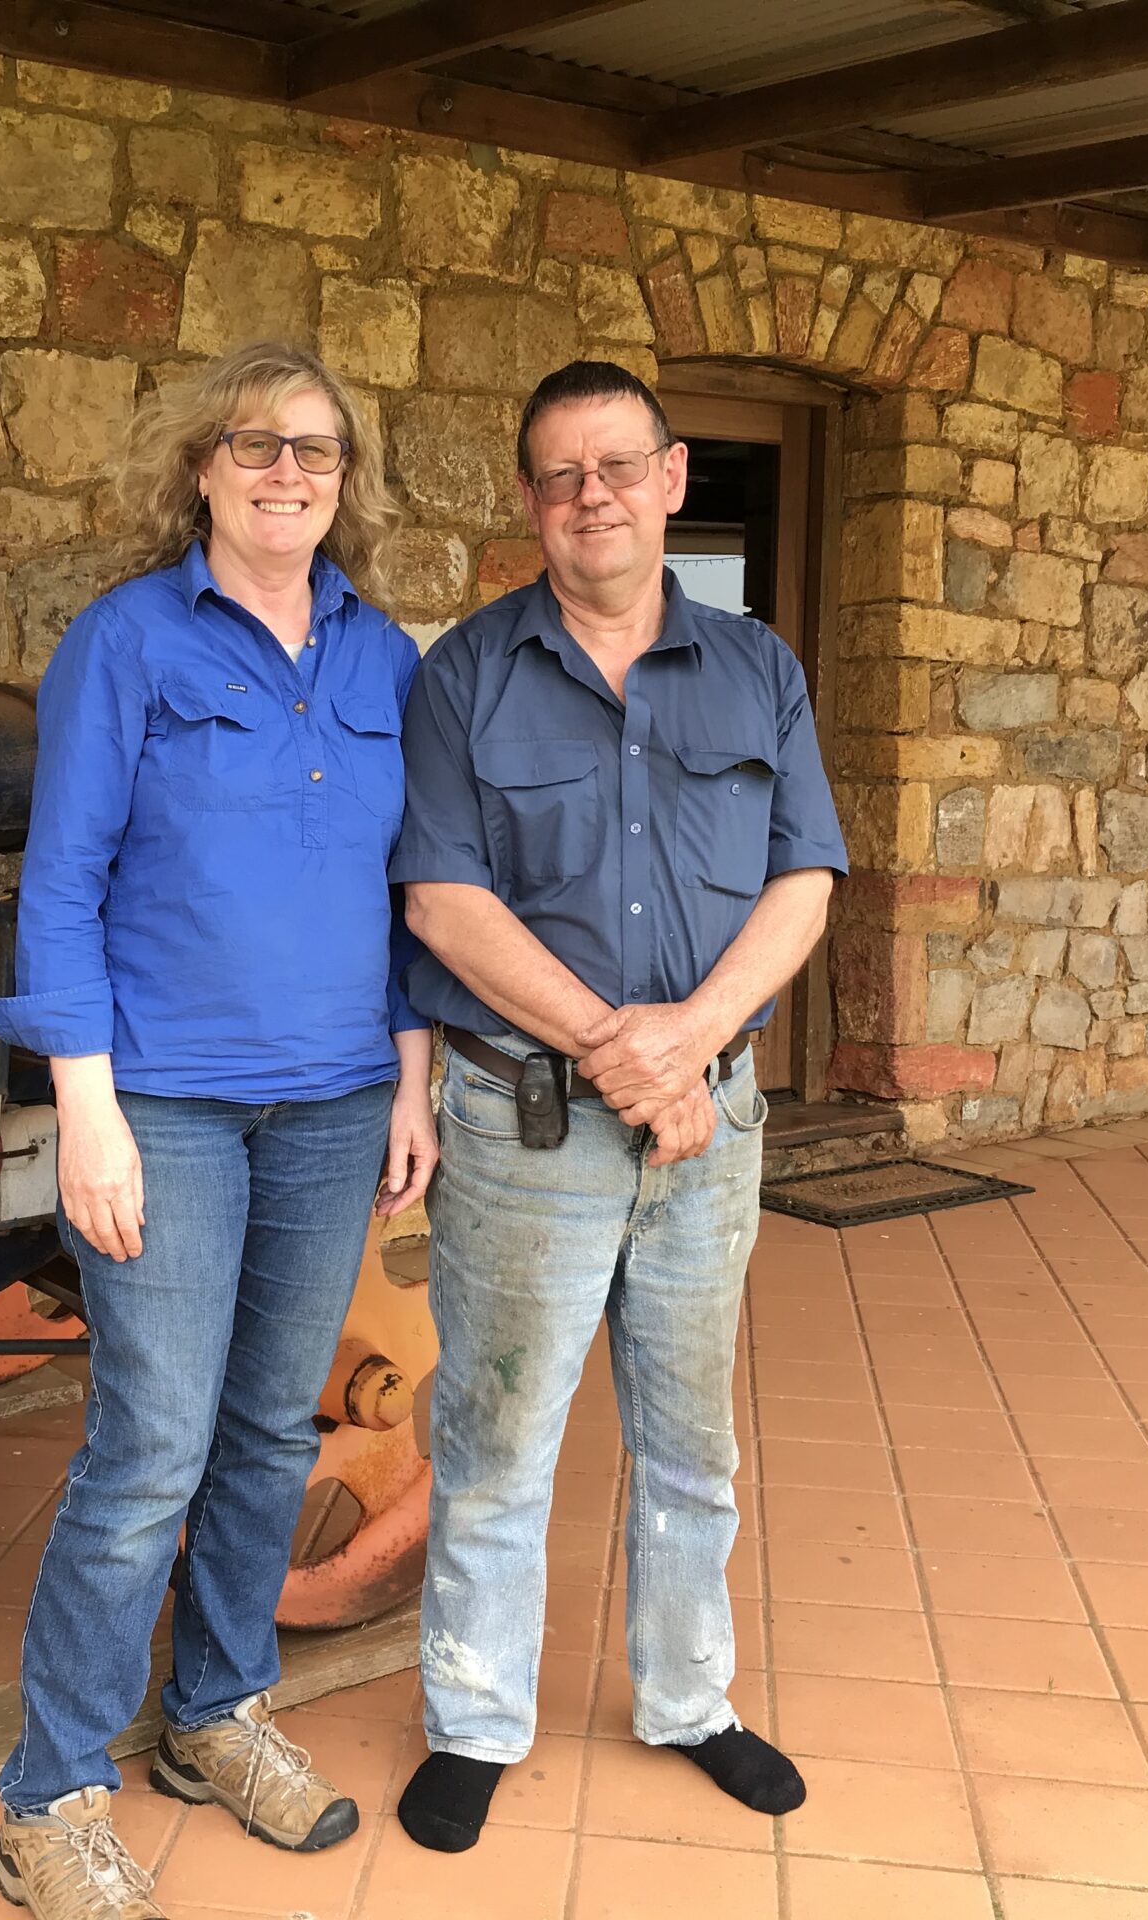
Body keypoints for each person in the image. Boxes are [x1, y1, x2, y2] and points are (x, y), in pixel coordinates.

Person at [0, 340, 438, 1920]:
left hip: (331, 1104)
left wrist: (416, 1084)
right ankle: (46, 1800)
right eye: (254, 446)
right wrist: (84, 1112)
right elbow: (62, 884)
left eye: (314, 450)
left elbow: (411, 904)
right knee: (152, 1446)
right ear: (201, 469)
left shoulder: (389, 664)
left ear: (344, 479)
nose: (285, 472)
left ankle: (212, 1715)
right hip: (163, 1101)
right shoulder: (126, 645)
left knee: (266, 1431)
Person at [386, 360, 849, 1853]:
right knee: (500, 1429)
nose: (592, 497)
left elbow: (807, 878)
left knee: (688, 1435)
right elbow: (444, 901)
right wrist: (613, 1046)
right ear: (533, 504)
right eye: (560, 476)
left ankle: (690, 1699)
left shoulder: (758, 671)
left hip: (708, 1132)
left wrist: (696, 1041)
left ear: (672, 478)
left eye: (617, 467)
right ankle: (474, 1716)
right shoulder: (462, 674)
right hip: (527, 1126)